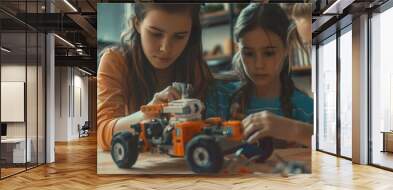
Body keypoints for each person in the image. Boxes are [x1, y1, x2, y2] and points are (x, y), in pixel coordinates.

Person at [97, 3, 213, 150]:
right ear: (137, 23)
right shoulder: (115, 61)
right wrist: (148, 113)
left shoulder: (194, 67)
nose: (166, 48)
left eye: (179, 36)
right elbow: (102, 133)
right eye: (156, 34)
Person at [207, 3, 313, 150]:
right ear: (238, 49)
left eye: (269, 53)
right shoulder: (219, 98)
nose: (259, 64)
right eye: (249, 53)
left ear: (287, 48)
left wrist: (292, 130)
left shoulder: (306, 109)